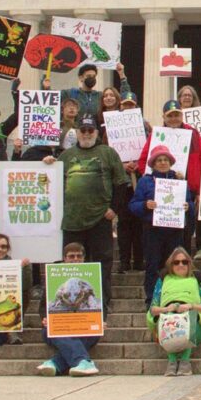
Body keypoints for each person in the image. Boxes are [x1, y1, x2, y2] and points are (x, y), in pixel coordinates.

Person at [43, 114, 130, 311]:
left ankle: (103, 302)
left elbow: (121, 183)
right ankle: (67, 303)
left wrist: (114, 209)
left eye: (91, 130)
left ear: (97, 132)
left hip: (100, 217)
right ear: (77, 132)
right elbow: (50, 181)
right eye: (83, 130)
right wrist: (47, 164)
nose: (87, 133)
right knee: (71, 264)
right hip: (72, 220)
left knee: (102, 263)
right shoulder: (65, 155)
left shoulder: (108, 153)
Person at [138, 100, 201, 258]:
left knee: (186, 229)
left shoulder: (193, 134)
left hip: (188, 189)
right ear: (163, 116)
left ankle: (184, 262)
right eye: (170, 116)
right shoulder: (156, 135)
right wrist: (152, 180)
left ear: (182, 115)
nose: (174, 119)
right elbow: (143, 161)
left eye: (177, 114)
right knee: (166, 234)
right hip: (162, 192)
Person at [130, 145, 194, 307]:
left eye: (166, 160)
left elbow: (190, 203)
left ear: (171, 162)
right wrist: (145, 204)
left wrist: (188, 207)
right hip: (153, 230)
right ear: (153, 163)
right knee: (152, 265)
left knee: (175, 265)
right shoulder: (145, 181)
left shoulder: (179, 181)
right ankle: (151, 299)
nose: (163, 163)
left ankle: (175, 296)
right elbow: (133, 205)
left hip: (175, 231)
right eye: (159, 160)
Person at [146, 247, 201, 376]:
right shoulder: (163, 278)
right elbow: (153, 309)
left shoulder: (198, 277)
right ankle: (172, 361)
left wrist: (191, 306)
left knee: (186, 317)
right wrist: (166, 309)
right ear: (171, 264)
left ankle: (185, 362)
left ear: (189, 263)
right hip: (168, 317)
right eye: (176, 262)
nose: (180, 265)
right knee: (169, 318)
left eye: (184, 262)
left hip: (194, 320)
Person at [36, 243, 101, 377]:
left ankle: (55, 363)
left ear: (84, 258)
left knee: (93, 332)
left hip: (85, 326)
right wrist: (45, 318)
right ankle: (83, 362)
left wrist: (102, 320)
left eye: (79, 256)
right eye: (71, 256)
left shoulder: (92, 277)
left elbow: (99, 303)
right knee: (54, 329)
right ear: (64, 258)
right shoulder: (55, 276)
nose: (76, 259)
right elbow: (44, 306)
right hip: (60, 325)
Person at [115, 90, 145, 274]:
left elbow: (150, 151)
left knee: (139, 223)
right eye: (125, 105)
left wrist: (138, 165)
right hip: (121, 183)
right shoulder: (111, 128)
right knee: (124, 224)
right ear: (120, 106)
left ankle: (139, 260)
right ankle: (124, 260)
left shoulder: (145, 127)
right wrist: (122, 165)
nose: (128, 107)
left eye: (131, 105)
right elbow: (108, 154)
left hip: (139, 182)